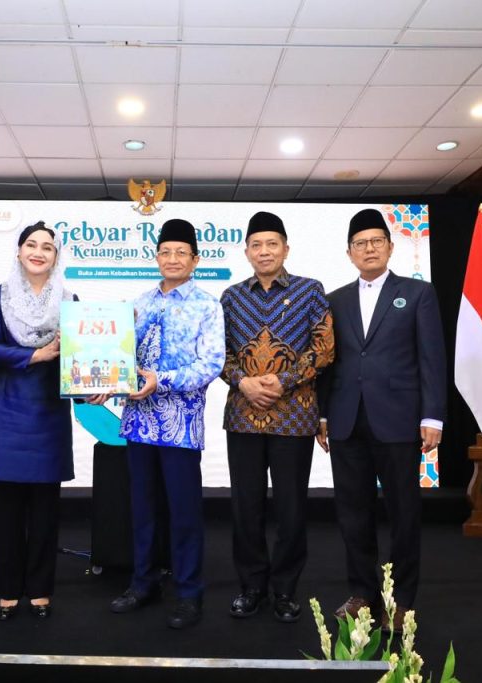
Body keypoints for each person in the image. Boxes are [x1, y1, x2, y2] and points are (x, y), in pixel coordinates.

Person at [316, 208, 446, 633]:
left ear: (390, 248)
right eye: (360, 243)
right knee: (353, 513)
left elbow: (431, 358)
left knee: (404, 513)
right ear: (349, 253)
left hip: (399, 420)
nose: (369, 249)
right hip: (346, 421)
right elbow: (328, 364)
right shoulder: (334, 300)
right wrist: (322, 414)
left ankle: (402, 600)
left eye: (376, 241)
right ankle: (362, 594)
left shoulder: (418, 293)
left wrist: (433, 416)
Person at [107, 218, 225, 629]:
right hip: (139, 424)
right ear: (156, 257)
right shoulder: (138, 304)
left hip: (181, 427)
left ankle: (189, 593)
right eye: (165, 252)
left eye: (181, 253)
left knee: (184, 514)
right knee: (143, 510)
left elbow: (211, 364)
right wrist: (102, 383)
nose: (172, 259)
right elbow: (119, 358)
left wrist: (162, 380)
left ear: (195, 259)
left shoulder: (208, 306)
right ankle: (144, 583)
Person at [219, 211, 334, 623]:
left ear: (286, 248)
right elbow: (219, 352)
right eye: (256, 245)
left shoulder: (310, 290)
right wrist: (243, 382)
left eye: (272, 244)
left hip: (294, 417)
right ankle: (251, 587)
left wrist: (282, 381)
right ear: (246, 251)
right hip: (243, 416)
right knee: (245, 507)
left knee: (291, 509)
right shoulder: (231, 297)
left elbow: (323, 349)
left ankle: (285, 590)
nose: (264, 251)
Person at [0, 221, 77, 621]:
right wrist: (36, 355)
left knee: (46, 511)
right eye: (31, 244)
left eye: (47, 247)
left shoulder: (70, 300)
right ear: (19, 251)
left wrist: (96, 380)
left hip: (48, 411)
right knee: (8, 511)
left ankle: (41, 591)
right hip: (7, 410)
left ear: (56, 257)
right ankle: (8, 592)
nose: (38, 252)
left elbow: (78, 358)